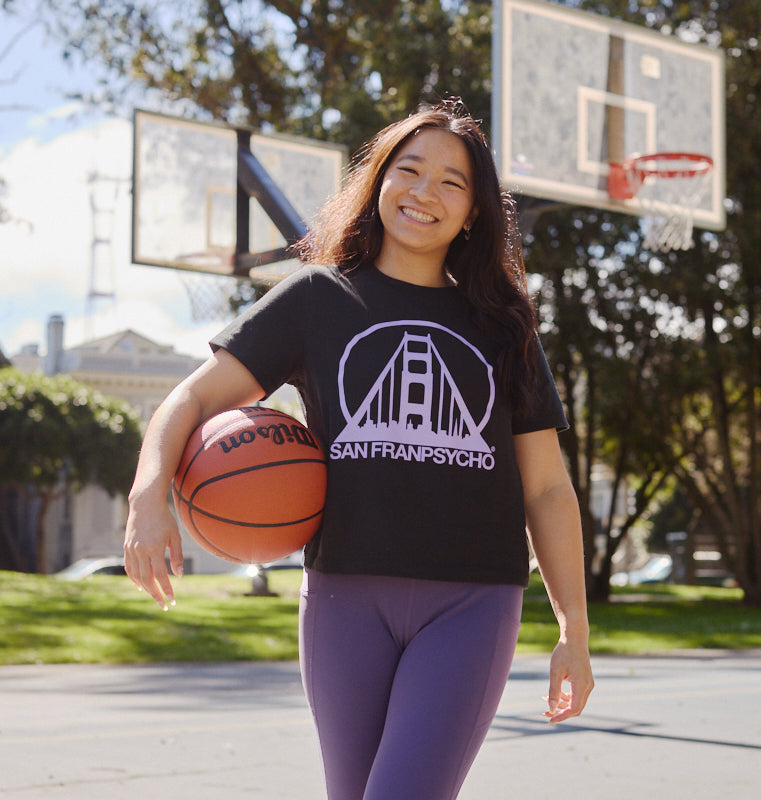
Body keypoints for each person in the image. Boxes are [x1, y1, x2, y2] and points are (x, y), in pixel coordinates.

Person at [124, 100, 593, 800]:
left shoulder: (504, 326)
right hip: (343, 597)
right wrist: (148, 497)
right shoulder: (318, 298)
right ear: (378, 181)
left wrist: (573, 630)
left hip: (471, 602)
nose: (424, 192)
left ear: (474, 213)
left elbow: (547, 490)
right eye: (408, 169)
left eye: (451, 182)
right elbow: (189, 401)